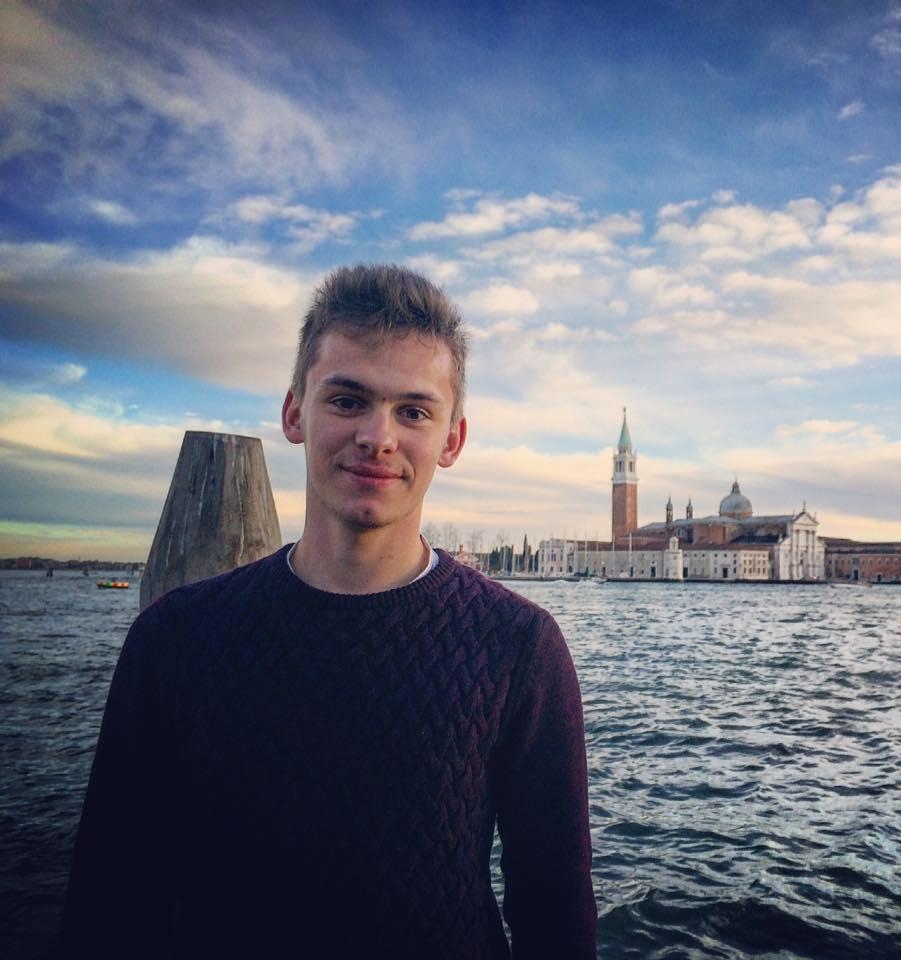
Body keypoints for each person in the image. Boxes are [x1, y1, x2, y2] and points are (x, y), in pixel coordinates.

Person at [58, 264, 596, 958]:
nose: (378, 436)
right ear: (295, 413)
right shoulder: (174, 639)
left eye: (413, 411)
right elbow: (110, 898)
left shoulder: (519, 647)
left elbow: (555, 911)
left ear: (452, 440)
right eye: (347, 400)